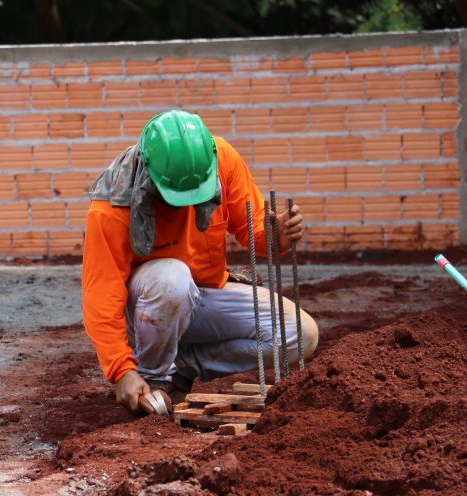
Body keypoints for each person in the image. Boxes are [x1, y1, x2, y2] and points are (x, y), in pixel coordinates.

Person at [81, 109, 319, 414]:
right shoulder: (111, 206)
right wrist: (121, 371)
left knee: (299, 333)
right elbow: (101, 294)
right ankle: (154, 381)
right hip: (146, 311)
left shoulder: (222, 161)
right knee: (172, 277)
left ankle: (183, 366)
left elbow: (255, 229)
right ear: (149, 172)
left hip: (203, 295)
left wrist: (278, 235)